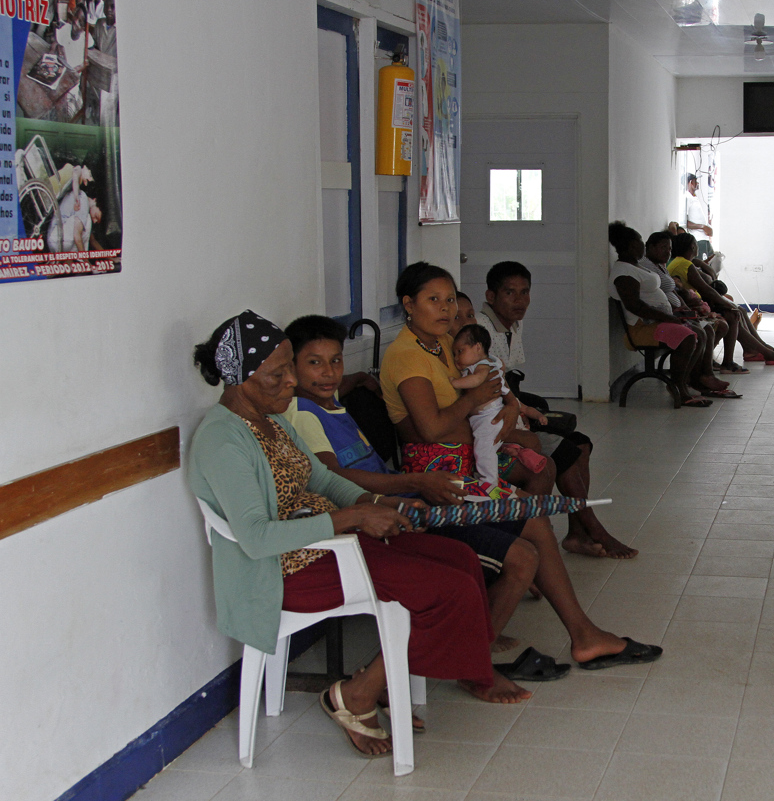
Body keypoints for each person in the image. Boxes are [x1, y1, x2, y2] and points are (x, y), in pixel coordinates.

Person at [188, 311, 529, 761]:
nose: (291, 381)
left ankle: (383, 681)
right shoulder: (222, 440)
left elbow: (324, 482)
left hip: (331, 542)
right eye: (279, 372)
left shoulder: (271, 420)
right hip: (284, 570)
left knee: (459, 561)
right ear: (239, 380)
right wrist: (352, 519)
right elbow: (256, 539)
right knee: (448, 590)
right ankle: (356, 695)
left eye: (291, 366)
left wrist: (383, 505)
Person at [381, 263, 662, 669]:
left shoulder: (440, 343)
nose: (444, 309)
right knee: (533, 523)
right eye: (432, 300)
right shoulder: (407, 356)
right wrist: (477, 402)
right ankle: (487, 653)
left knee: (536, 516)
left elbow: (483, 390)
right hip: (439, 481)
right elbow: (430, 428)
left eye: (448, 299)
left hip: (464, 466)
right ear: (408, 305)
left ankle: (578, 635)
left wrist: (507, 404)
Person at [477, 261, 639, 559]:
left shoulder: (513, 324)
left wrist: (527, 409)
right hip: (495, 422)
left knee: (582, 444)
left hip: (514, 410)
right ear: (490, 296)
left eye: (525, 292)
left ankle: (576, 534)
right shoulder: (481, 330)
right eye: (510, 293)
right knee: (565, 451)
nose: (519, 301)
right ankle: (594, 529)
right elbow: (489, 391)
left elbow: (509, 379)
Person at [609, 221, 712, 408]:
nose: (643, 245)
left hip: (655, 324)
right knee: (688, 336)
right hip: (642, 329)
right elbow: (635, 306)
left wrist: (673, 313)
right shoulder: (623, 273)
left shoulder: (635, 267)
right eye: (640, 241)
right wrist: (668, 317)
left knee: (696, 333)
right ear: (632, 245)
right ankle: (679, 388)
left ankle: (684, 383)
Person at [668, 233, 774, 371]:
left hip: (695, 304)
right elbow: (709, 288)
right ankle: (752, 355)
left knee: (739, 310)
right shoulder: (685, 264)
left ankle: (756, 349)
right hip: (693, 308)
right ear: (692, 246)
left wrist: (700, 264)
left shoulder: (681, 263)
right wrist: (728, 304)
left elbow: (711, 283)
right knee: (732, 313)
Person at [451, 322, 548, 494]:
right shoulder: (486, 364)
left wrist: (454, 382)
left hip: (488, 417)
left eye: (460, 352)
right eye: (454, 353)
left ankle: (489, 482)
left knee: (484, 448)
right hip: (487, 417)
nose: (457, 358)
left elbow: (477, 381)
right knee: (493, 445)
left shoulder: (481, 367)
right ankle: (515, 452)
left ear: (478, 348)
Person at [639, 230, 737, 398]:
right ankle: (686, 381)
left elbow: (674, 291)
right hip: (659, 320)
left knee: (706, 329)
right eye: (663, 247)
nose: (667, 252)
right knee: (699, 331)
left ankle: (702, 375)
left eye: (669, 248)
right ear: (649, 247)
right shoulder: (646, 267)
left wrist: (685, 307)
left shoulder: (660, 266)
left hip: (675, 313)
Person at [683, 174, 716, 259]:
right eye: (695, 181)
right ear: (690, 182)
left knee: (714, 261)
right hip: (698, 239)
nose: (697, 183)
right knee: (703, 264)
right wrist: (702, 227)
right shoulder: (687, 198)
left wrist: (708, 228)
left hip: (704, 238)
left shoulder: (694, 197)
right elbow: (685, 222)